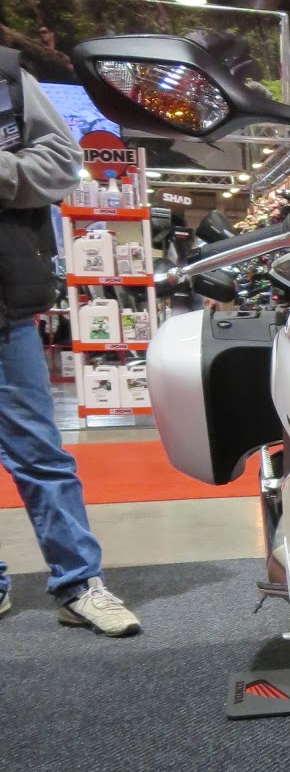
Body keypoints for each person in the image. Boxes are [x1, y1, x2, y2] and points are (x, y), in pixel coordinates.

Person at [0, 51, 140, 635]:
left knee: (39, 453)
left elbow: (60, 163)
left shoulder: (7, 77)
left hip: (4, 309)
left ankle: (79, 583)